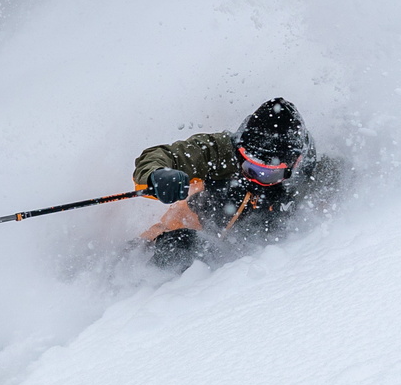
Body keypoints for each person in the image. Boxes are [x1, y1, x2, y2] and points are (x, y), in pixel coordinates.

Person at [133, 98, 346, 271]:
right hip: (187, 236)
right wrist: (157, 175)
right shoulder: (221, 152)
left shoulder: (316, 178)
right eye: (248, 166)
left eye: (266, 173)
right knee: (173, 247)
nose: (254, 178)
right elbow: (162, 156)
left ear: (295, 163)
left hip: (252, 268)